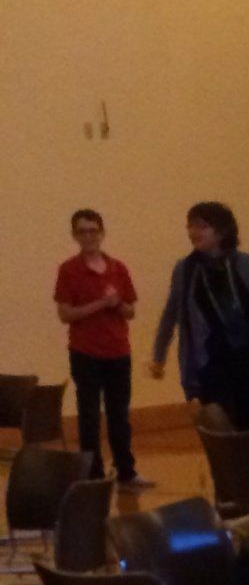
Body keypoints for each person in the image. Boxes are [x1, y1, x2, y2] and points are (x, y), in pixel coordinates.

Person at [149, 201, 249, 431]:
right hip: (212, 362)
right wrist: (159, 356)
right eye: (190, 226)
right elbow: (171, 314)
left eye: (202, 226)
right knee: (221, 426)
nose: (193, 232)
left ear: (222, 230)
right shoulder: (185, 270)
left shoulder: (246, 264)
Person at [54, 208, 151, 489]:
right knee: (89, 416)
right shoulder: (68, 270)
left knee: (119, 414)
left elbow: (130, 311)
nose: (88, 236)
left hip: (118, 351)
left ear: (102, 233)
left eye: (93, 230)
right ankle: (93, 474)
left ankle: (126, 471)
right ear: (74, 235)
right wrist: (100, 303)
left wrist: (117, 304)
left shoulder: (118, 268)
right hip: (85, 352)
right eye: (82, 231)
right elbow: (65, 314)